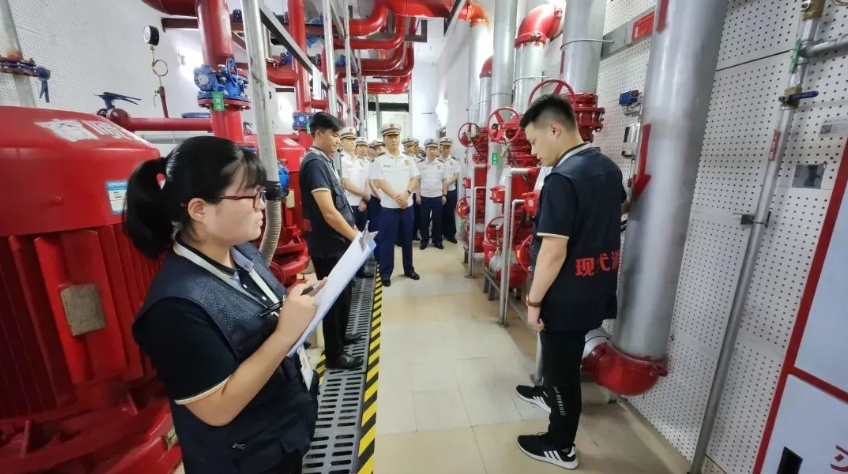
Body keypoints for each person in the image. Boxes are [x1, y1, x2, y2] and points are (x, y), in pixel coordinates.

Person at [126, 136, 322, 474]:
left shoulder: (240, 251)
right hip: (246, 460)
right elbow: (217, 409)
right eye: (250, 196)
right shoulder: (174, 308)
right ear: (199, 209)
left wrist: (298, 303)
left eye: (261, 194)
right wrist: (285, 333)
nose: (262, 206)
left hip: (280, 433)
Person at [511, 95, 629, 470]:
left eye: (534, 142)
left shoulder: (562, 179)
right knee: (561, 363)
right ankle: (549, 395)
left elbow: (552, 252)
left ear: (555, 129)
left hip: (564, 295)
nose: (533, 152)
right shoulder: (607, 167)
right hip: (594, 285)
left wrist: (533, 302)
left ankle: (560, 445)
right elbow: (619, 207)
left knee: (563, 374)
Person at [299, 113, 364, 371]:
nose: (338, 140)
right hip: (329, 245)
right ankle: (335, 355)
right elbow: (328, 212)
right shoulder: (315, 163)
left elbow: (339, 205)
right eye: (335, 135)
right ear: (318, 134)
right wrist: (355, 237)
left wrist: (352, 229)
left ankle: (340, 336)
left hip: (338, 242)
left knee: (343, 296)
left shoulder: (325, 161)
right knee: (334, 300)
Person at [370, 123, 421, 287]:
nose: (394, 139)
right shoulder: (379, 161)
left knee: (407, 240)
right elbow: (380, 182)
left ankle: (409, 269)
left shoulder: (408, 159)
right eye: (390, 136)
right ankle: (386, 273)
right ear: (384, 139)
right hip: (389, 209)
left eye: (396, 136)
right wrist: (397, 197)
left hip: (407, 207)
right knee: (387, 241)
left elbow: (415, 178)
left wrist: (406, 194)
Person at [416, 138, 448, 250]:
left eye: (434, 148)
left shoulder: (441, 164)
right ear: (426, 149)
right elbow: (417, 181)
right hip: (424, 196)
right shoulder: (420, 164)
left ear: (437, 150)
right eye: (430, 148)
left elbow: (444, 180)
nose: (432, 150)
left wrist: (444, 194)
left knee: (437, 220)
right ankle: (424, 240)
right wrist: (417, 195)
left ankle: (437, 241)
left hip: (437, 196)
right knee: (424, 220)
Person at [439, 138, 460, 243]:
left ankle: (450, 234)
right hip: (438, 191)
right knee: (439, 213)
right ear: (440, 148)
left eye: (448, 147)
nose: (446, 150)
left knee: (449, 213)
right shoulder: (437, 160)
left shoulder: (454, 161)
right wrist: (442, 185)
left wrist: (447, 183)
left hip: (451, 190)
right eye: (444, 147)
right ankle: (439, 234)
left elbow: (456, 175)